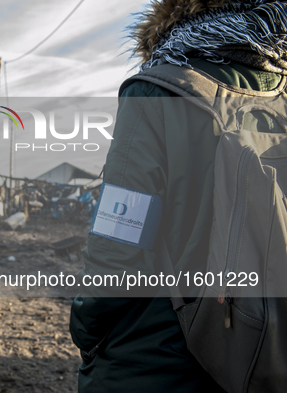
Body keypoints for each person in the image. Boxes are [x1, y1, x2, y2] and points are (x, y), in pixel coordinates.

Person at [69, 0, 287, 391]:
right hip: (265, 346)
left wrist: (87, 329)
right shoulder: (281, 99)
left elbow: (118, 241)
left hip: (156, 352)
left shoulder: (158, 89)